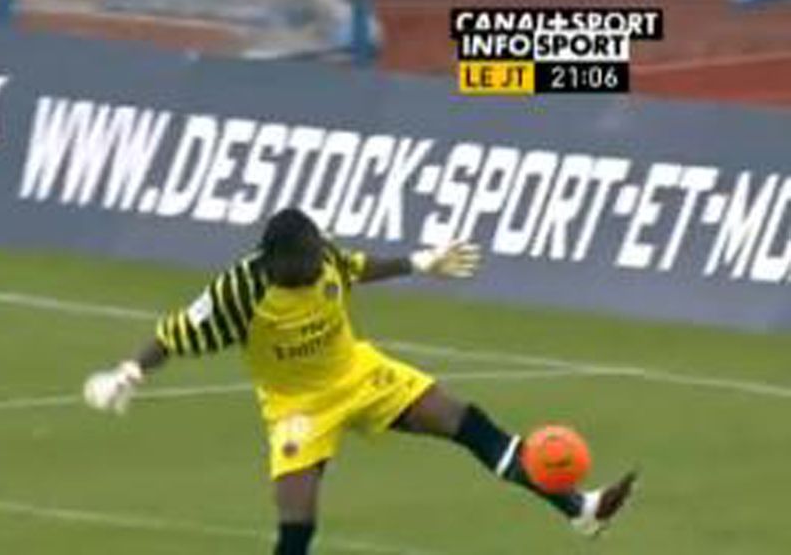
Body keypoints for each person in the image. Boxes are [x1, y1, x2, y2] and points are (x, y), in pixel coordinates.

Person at [83, 208, 636, 554]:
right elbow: (175, 333)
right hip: (298, 406)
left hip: (359, 373)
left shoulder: (322, 256)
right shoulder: (239, 293)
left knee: (468, 423)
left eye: (316, 256)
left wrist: (420, 262)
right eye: (304, 261)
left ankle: (580, 511)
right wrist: (128, 373)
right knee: (298, 523)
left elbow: (356, 267)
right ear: (273, 261)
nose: (315, 266)